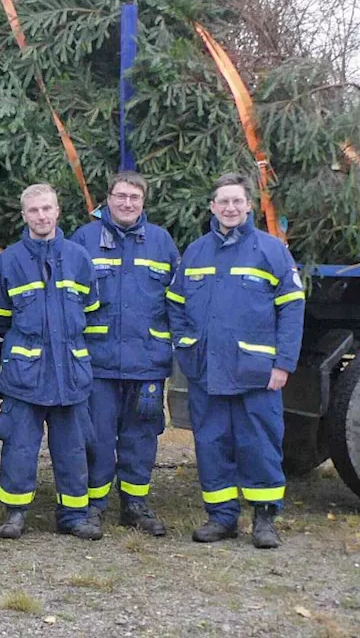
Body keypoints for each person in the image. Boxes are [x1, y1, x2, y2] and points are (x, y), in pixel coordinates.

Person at [167, 173, 304, 548]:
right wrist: (185, 344)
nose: (230, 208)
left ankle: (264, 520)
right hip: (206, 371)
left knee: (259, 445)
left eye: (237, 202)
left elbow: (292, 309)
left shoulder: (271, 251)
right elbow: (175, 304)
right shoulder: (195, 252)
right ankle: (222, 517)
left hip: (256, 374)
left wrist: (283, 364)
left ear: (248, 206)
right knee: (211, 445)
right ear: (212, 207)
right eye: (223, 202)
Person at [0, 183, 102, 541]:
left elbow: (92, 311)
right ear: (24, 215)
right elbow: (0, 317)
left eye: (47, 208)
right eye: (34, 210)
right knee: (19, 447)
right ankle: (16, 513)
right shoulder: (8, 262)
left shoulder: (79, 258)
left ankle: (74, 515)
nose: (41, 216)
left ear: (57, 211)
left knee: (73, 448)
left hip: (70, 371)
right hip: (26, 373)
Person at [69, 172, 180, 536]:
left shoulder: (162, 243)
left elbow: (177, 303)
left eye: (135, 197)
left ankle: (135, 505)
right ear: (108, 199)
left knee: (141, 438)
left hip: (147, 364)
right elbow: (68, 300)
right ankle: (94, 506)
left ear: (143, 201)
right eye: (121, 196)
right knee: (97, 437)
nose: (127, 203)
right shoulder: (83, 241)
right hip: (97, 363)